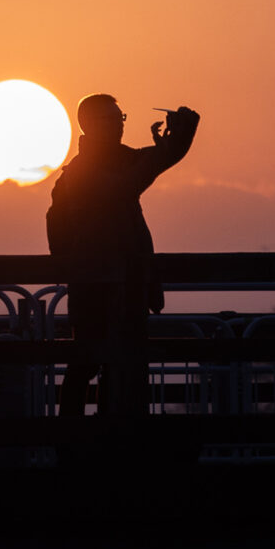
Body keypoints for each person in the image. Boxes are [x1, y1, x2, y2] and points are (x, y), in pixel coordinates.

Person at [46, 93, 200, 422]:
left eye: (120, 118)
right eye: (111, 119)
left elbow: (147, 167)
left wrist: (179, 139)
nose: (118, 125)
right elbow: (129, 182)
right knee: (88, 364)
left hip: (127, 288)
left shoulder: (118, 160)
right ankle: (73, 444)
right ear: (88, 124)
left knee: (119, 368)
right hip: (94, 290)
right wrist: (168, 147)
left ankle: (107, 442)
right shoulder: (83, 172)